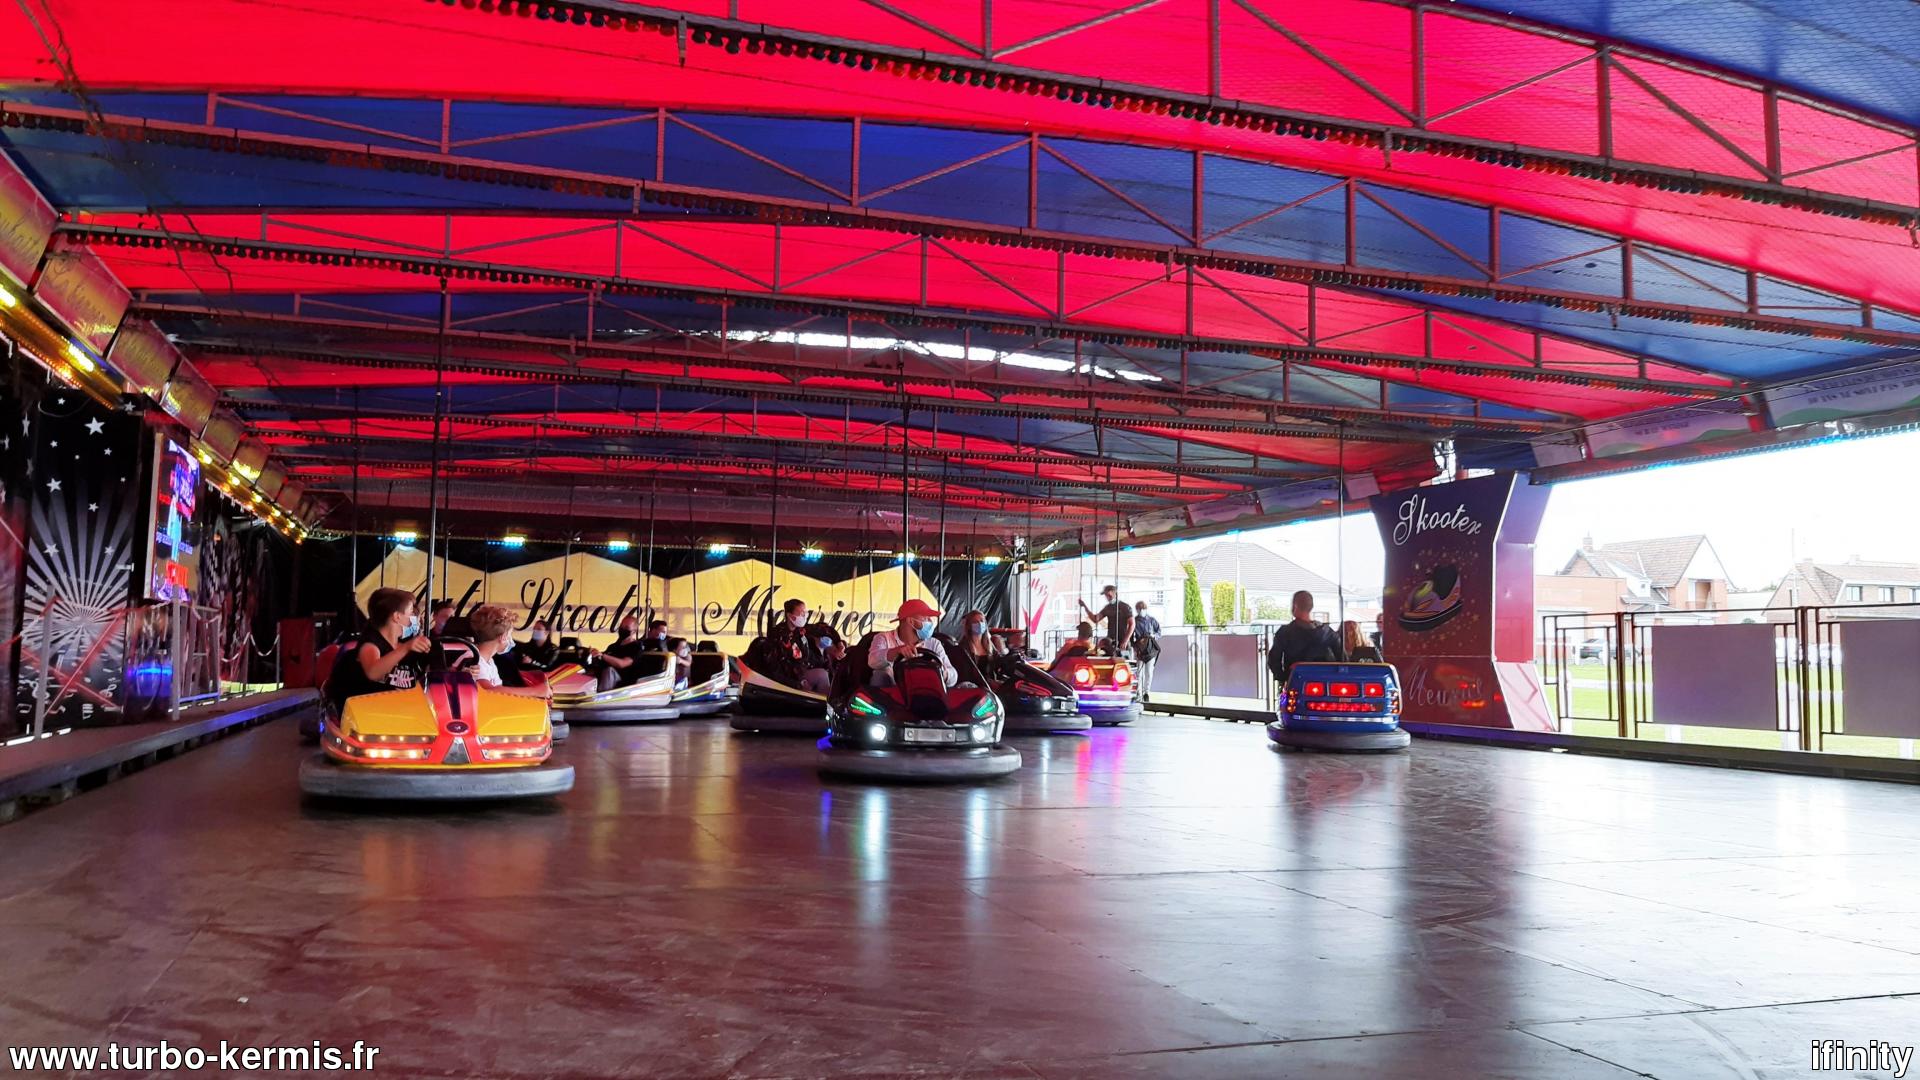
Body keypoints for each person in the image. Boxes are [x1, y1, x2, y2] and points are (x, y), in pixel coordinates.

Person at [325, 587, 434, 712]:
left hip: (396, 712)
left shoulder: (403, 646)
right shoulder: (370, 645)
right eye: (410, 612)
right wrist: (406, 647)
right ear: (397, 617)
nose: (414, 617)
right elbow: (373, 672)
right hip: (365, 715)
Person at [866, 599, 956, 689]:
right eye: (925, 618)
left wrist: (942, 673)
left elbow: (954, 676)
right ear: (911, 621)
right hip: (892, 692)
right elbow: (872, 661)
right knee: (879, 675)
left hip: (926, 691)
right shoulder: (884, 638)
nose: (930, 621)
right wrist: (896, 652)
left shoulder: (934, 644)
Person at [1266, 590, 1344, 684]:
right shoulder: (1328, 632)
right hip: (1326, 681)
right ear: (1311, 607)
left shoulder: (1285, 632)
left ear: (1295, 606)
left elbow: (1274, 659)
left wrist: (1284, 678)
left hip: (1297, 680)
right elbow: (1342, 658)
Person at [767, 598, 840, 692]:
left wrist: (839, 643)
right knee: (822, 675)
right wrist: (798, 684)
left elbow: (826, 629)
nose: (804, 616)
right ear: (790, 616)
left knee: (829, 673)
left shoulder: (801, 629)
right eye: (801, 613)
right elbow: (775, 669)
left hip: (802, 671)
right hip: (788, 679)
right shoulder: (778, 635)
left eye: (805, 613)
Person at [590, 615, 651, 691]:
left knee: (609, 671)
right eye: (621, 626)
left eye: (626, 627)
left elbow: (622, 663)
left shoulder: (636, 647)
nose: (622, 629)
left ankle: (601, 696)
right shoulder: (613, 646)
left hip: (624, 684)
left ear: (634, 631)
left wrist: (603, 655)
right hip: (605, 679)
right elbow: (602, 660)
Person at [1079, 585, 1135, 658]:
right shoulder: (1108, 608)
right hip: (1111, 641)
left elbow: (1132, 624)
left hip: (1123, 640)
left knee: (1124, 662)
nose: (1107, 597)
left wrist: (1125, 640)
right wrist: (1085, 606)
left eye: (1108, 595)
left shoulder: (1125, 607)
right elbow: (1095, 619)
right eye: (1106, 595)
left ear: (1113, 593)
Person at [1131, 600, 1162, 700]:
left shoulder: (1152, 620)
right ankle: (1138, 692)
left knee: (1149, 672)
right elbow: (1131, 636)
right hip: (1140, 649)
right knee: (1139, 673)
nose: (1141, 611)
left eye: (1142, 609)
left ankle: (1146, 692)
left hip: (1150, 649)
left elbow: (1159, 632)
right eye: (1139, 609)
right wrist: (1134, 646)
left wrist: (1154, 636)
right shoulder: (1134, 621)